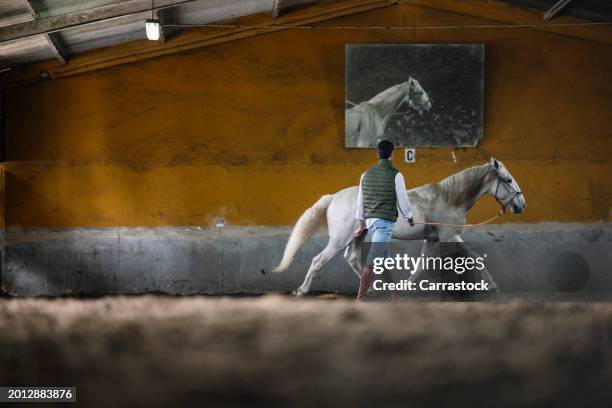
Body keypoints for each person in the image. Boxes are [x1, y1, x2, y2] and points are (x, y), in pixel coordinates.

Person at [354, 140, 414, 300]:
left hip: (370, 223)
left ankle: (394, 293)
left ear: (377, 154)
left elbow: (360, 201)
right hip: (384, 224)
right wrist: (409, 217)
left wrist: (360, 224)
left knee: (382, 260)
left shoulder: (365, 175)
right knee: (373, 260)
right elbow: (403, 200)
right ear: (392, 154)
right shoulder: (397, 175)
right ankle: (360, 297)